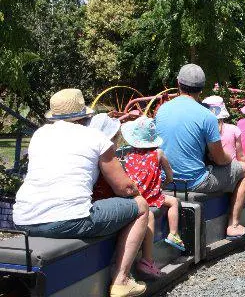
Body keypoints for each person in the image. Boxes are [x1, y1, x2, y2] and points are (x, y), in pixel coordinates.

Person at [12, 89, 149, 297]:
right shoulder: (95, 137)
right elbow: (124, 187)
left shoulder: (39, 135)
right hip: (71, 220)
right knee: (140, 206)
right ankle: (121, 280)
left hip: (24, 220)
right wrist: (138, 190)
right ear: (84, 114)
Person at [155, 64, 245, 240]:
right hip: (193, 182)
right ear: (202, 88)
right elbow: (219, 158)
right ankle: (234, 225)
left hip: (165, 179)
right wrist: (230, 159)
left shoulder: (161, 110)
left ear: (178, 83)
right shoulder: (208, 116)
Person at [120, 116, 185, 279]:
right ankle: (174, 233)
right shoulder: (158, 153)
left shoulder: (129, 155)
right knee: (174, 202)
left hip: (136, 197)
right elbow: (170, 175)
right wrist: (163, 185)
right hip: (152, 197)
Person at [202, 95, 245, 226]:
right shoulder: (233, 129)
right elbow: (241, 157)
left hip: (211, 172)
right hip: (232, 172)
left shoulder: (202, 130)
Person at [87, 113, 121, 202]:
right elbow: (122, 187)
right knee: (141, 204)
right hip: (101, 202)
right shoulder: (106, 157)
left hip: (89, 199)